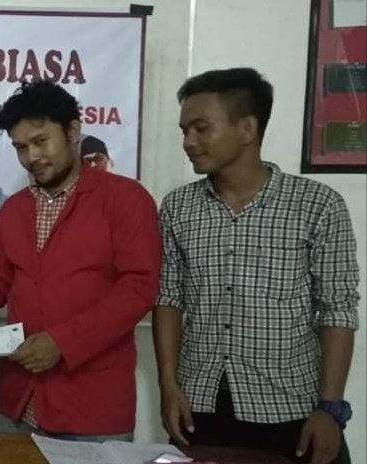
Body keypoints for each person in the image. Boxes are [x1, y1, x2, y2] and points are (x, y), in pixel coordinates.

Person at [153, 68, 359, 464]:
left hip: (291, 409)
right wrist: (169, 386)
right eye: (184, 131)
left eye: (201, 128)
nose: (189, 142)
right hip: (201, 406)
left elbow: (337, 309)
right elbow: (168, 298)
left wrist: (330, 408)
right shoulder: (178, 208)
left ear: (247, 128)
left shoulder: (318, 205)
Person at [0, 80, 161, 440]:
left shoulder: (126, 200)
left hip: (92, 407)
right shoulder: (15, 209)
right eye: (20, 147)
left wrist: (62, 342)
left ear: (73, 131)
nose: (31, 157)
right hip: (19, 402)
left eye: (41, 141)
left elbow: (138, 290)